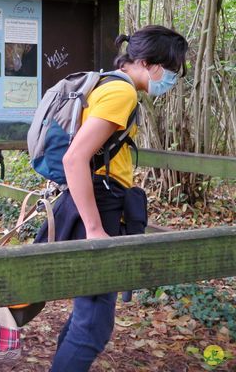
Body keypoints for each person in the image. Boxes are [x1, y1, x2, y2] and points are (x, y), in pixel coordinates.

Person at [36, 25, 188, 371]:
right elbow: (74, 158)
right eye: (171, 71)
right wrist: (94, 229)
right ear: (149, 63)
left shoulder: (106, 83)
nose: (172, 79)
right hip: (98, 206)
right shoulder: (122, 93)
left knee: (88, 314)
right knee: (93, 326)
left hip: (94, 200)